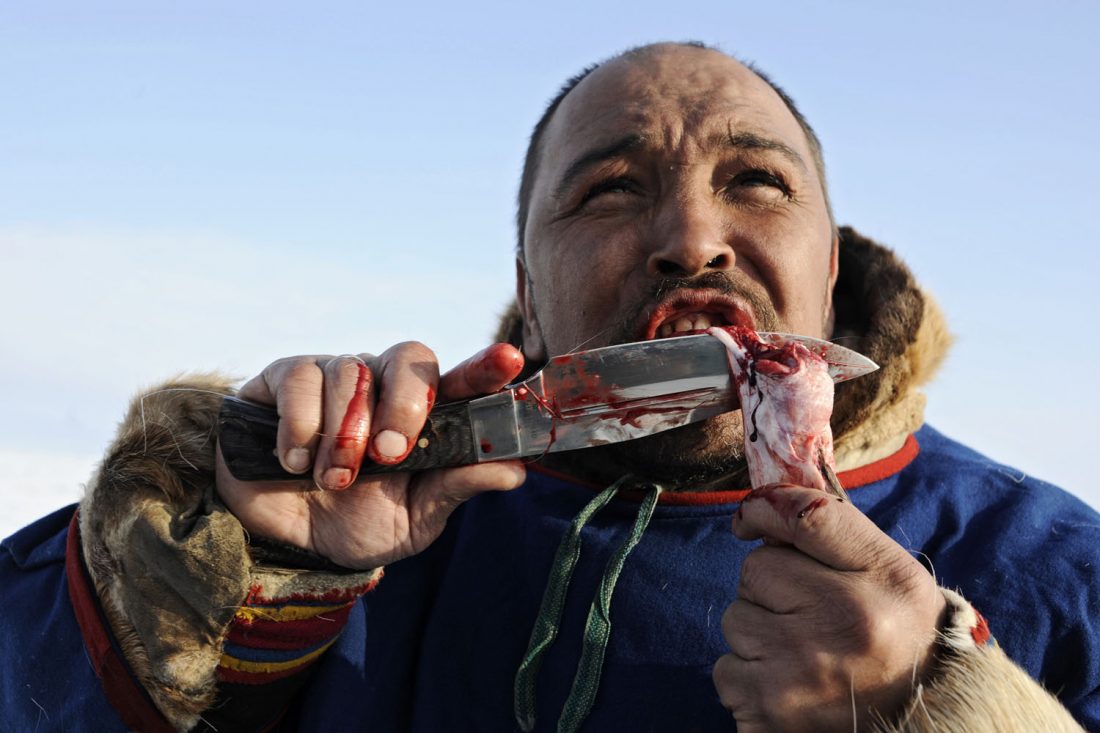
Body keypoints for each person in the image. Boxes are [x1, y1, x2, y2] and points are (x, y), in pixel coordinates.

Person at [2, 42, 1097, 732]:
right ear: (527, 292)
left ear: (828, 268)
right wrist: (229, 558)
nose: (691, 239)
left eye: (757, 181)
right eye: (610, 189)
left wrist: (946, 707)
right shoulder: (386, 517)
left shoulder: (1059, 571)